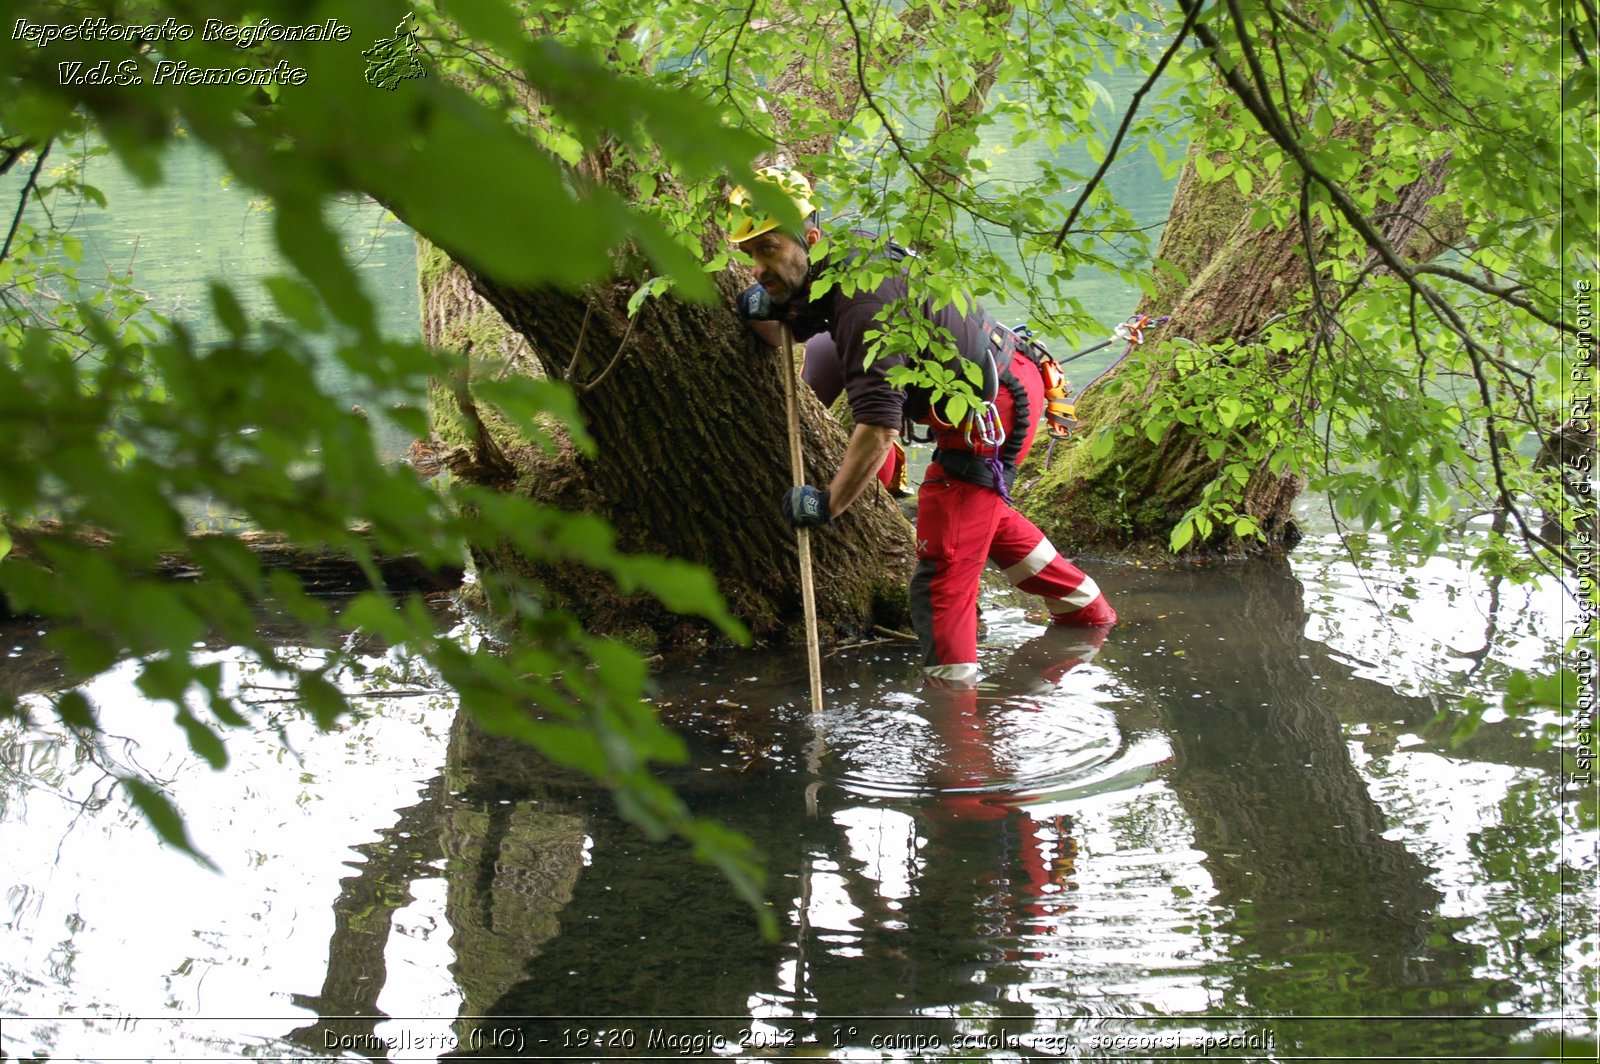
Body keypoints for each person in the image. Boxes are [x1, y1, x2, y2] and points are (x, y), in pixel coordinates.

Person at [727, 168, 1115, 687]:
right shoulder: (836, 266)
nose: (757, 267)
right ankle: (1087, 616)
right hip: (986, 388)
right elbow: (789, 334)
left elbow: (877, 428)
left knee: (942, 575)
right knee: (979, 521)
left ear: (811, 237)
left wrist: (828, 503)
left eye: (768, 250)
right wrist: (766, 306)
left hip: (991, 405)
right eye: (749, 253)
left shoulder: (865, 302)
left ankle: (957, 743)